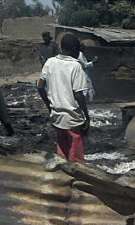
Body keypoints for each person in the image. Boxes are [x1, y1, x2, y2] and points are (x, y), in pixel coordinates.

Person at [38, 33, 90, 161]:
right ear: (73, 49)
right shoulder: (76, 66)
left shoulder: (50, 62)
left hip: (56, 115)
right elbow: (78, 94)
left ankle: (62, 175)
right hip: (72, 118)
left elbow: (40, 87)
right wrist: (86, 116)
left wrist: (49, 106)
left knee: (62, 152)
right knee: (75, 158)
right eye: (78, 49)